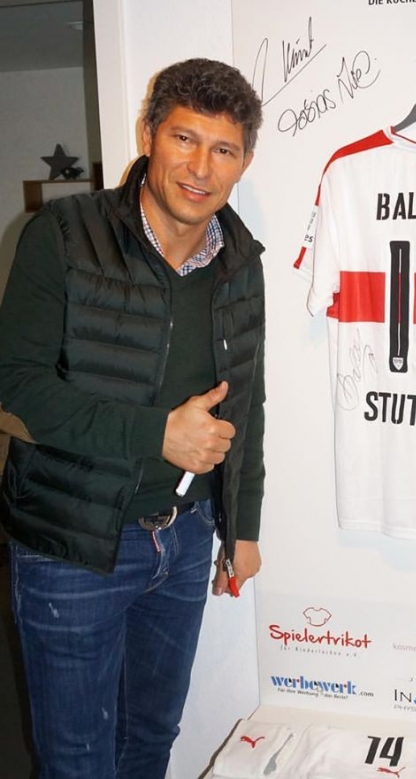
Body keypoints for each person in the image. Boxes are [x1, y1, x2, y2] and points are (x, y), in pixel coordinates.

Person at [0, 58, 265, 779]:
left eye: (224, 149)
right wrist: (157, 434)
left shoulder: (241, 260)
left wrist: (242, 526)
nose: (201, 168)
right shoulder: (63, 234)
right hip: (71, 544)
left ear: (244, 161)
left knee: (150, 743)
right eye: (184, 138)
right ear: (149, 135)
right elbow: (15, 387)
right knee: (77, 761)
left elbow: (246, 399)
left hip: (185, 539)